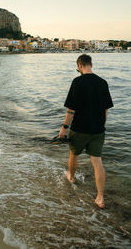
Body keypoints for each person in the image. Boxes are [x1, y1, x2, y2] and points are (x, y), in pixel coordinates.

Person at [59, 54, 113, 209]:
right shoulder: (103, 83)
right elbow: (105, 110)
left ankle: (71, 177)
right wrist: (100, 126)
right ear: (91, 64)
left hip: (80, 129)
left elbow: (71, 109)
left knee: (73, 154)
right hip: (98, 130)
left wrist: (64, 128)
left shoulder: (77, 82)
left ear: (80, 66)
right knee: (97, 163)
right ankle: (100, 198)